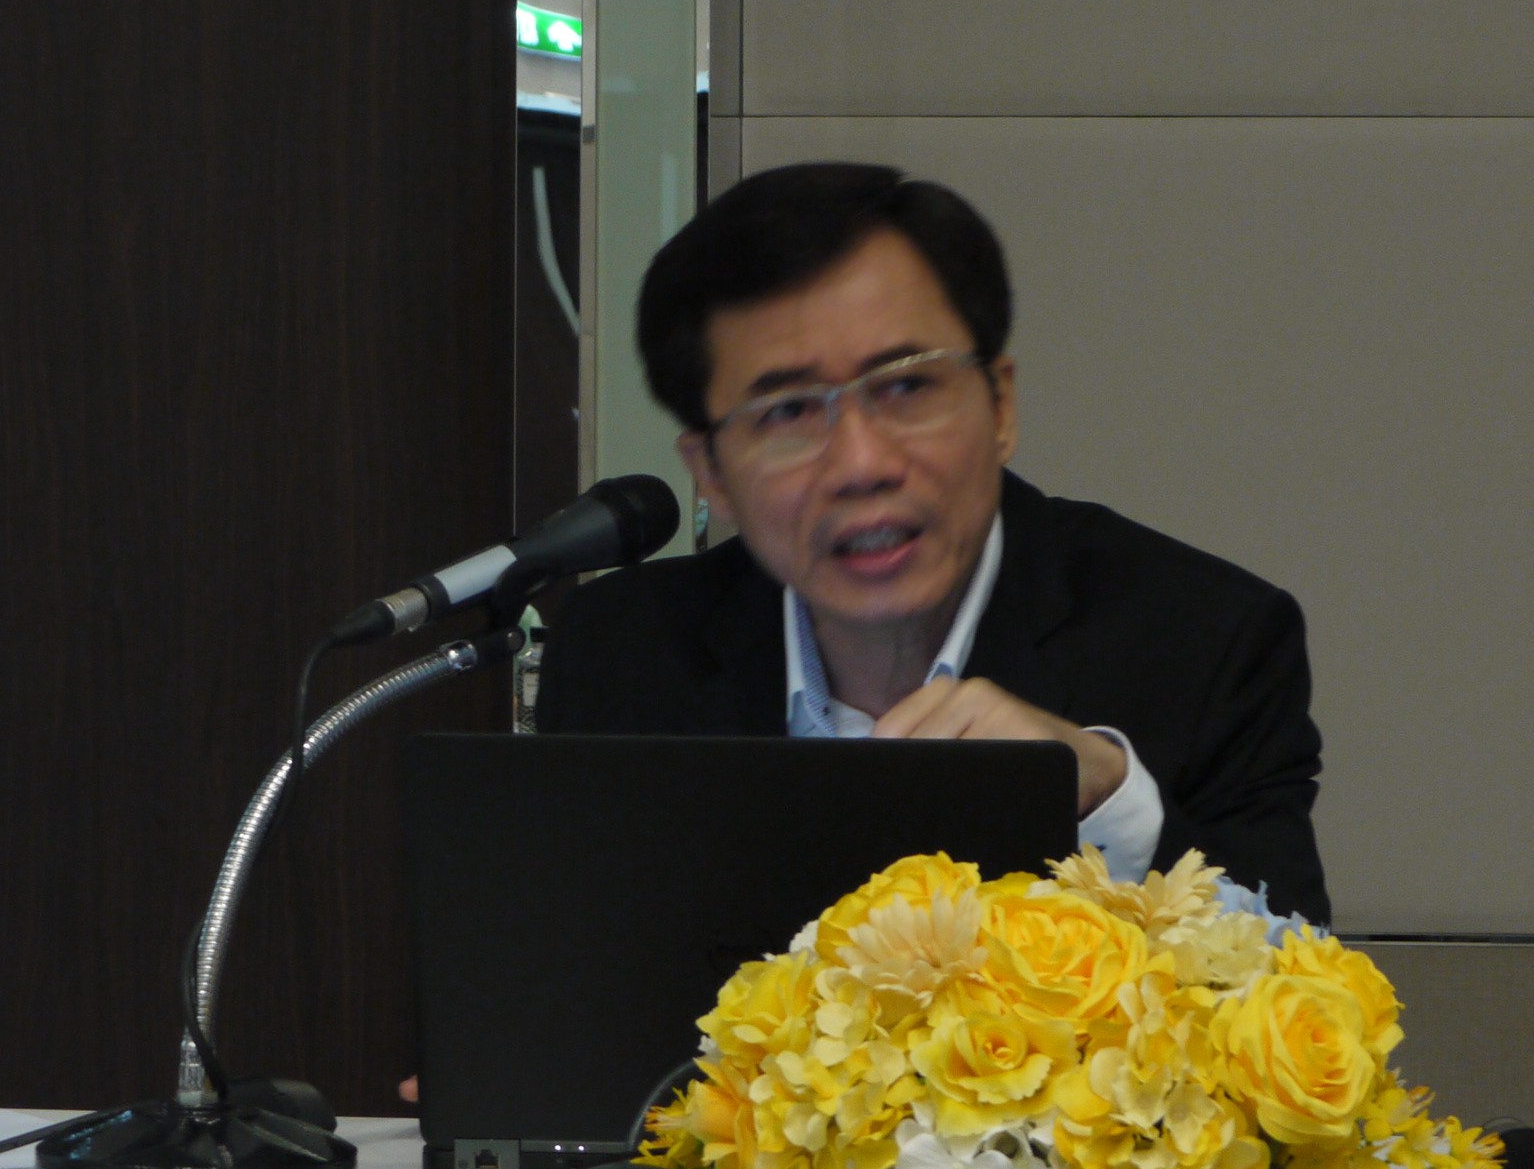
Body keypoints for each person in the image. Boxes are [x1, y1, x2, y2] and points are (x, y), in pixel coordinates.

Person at [536, 161, 1329, 925]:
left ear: (1001, 406)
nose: (862, 464)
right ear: (710, 472)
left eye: (908, 386)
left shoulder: (1201, 640)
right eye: (787, 412)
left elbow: (1302, 985)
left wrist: (1107, 802)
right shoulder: (624, 654)